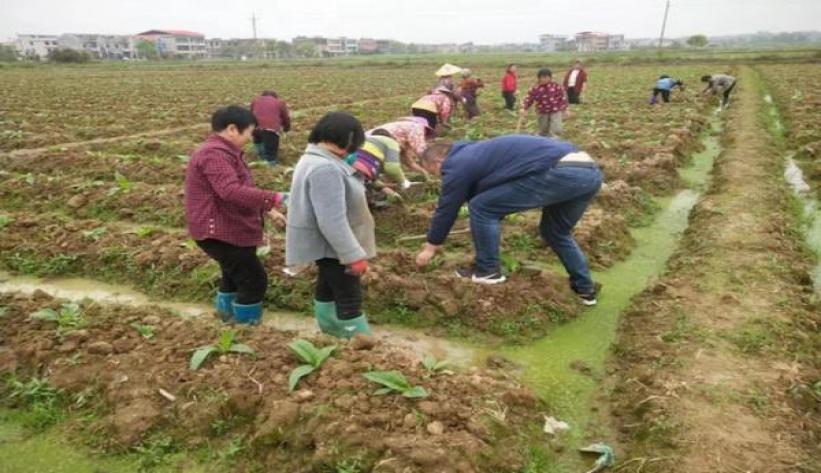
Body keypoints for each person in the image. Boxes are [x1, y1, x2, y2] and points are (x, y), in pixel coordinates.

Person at [414, 135, 602, 305]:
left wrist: (431, 246)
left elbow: (447, 208)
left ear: (437, 162)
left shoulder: (456, 164)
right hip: (589, 172)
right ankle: (585, 289)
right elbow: (499, 193)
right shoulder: (478, 154)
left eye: (433, 173)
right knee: (556, 232)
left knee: (482, 206)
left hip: (559, 171)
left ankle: (487, 271)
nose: (439, 177)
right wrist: (484, 222)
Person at [185, 105, 288, 324]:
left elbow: (242, 188)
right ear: (232, 129)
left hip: (224, 228)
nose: (251, 138)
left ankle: (226, 318)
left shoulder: (224, 152)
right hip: (220, 230)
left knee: (233, 276)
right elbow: (230, 191)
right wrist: (275, 197)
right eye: (249, 132)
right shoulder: (214, 155)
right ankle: (245, 329)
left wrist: (268, 210)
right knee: (253, 281)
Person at [286, 112, 375, 338]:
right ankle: (360, 348)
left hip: (328, 247)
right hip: (335, 247)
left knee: (328, 287)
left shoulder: (314, 159)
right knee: (349, 298)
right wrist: (353, 256)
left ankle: (331, 334)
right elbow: (331, 220)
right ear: (348, 139)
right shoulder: (325, 168)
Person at [348, 134, 411, 203]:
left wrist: (394, 194)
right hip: (359, 172)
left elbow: (371, 181)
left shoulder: (367, 142)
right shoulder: (391, 142)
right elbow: (392, 169)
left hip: (345, 169)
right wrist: (403, 182)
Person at [369, 117, 434, 177]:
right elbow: (420, 150)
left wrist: (425, 173)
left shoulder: (402, 138)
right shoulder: (416, 127)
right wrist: (431, 166)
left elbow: (409, 163)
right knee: (386, 167)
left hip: (369, 141)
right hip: (374, 142)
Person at [520, 68, 568, 138]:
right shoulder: (536, 88)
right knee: (543, 129)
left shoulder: (556, 86)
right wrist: (524, 108)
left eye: (546, 77)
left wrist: (565, 108)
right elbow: (529, 98)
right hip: (542, 111)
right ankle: (543, 139)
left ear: (550, 77)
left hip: (555, 110)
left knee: (557, 128)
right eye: (542, 77)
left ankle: (554, 141)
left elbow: (562, 97)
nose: (544, 79)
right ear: (539, 78)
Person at [249, 90, 291, 165]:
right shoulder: (279, 102)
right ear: (275, 96)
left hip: (254, 128)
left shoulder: (255, 100)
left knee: (259, 145)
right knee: (271, 152)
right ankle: (271, 167)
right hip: (271, 129)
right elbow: (285, 117)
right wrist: (286, 128)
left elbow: (250, 113)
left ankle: (261, 161)